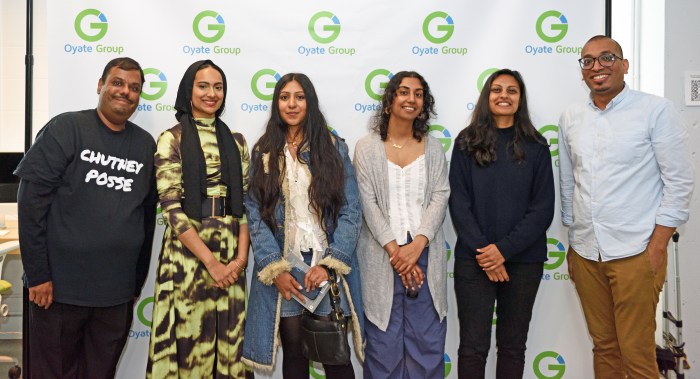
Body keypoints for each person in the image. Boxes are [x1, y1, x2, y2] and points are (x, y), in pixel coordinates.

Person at [559, 35, 694, 378]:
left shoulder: (655, 110)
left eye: (606, 58)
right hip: (587, 252)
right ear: (582, 71)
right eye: (587, 61)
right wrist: (573, 243)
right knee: (604, 348)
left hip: (637, 251)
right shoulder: (571, 117)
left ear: (624, 64)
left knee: (636, 353)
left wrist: (658, 244)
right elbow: (568, 181)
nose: (596, 67)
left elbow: (678, 181)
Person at [14, 57, 157, 378]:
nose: (125, 92)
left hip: (115, 296)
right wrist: (37, 275)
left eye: (134, 88)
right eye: (117, 83)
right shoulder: (66, 128)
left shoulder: (145, 145)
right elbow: (31, 202)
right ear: (100, 85)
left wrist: (135, 282)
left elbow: (146, 219)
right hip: (57, 291)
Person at [241, 73, 364, 378]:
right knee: (294, 354)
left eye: (299, 97)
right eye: (285, 97)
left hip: (325, 265)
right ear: (276, 103)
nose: (292, 104)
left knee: (334, 354)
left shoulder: (333, 148)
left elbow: (351, 210)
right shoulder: (264, 152)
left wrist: (331, 264)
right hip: (286, 266)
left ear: (309, 102)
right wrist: (275, 268)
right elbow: (254, 214)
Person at [147, 60, 253, 378]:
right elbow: (172, 209)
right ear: (188, 90)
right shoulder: (172, 138)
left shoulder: (237, 141)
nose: (211, 93)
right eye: (203, 86)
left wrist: (240, 259)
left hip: (232, 256)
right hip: (188, 257)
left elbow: (245, 206)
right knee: (190, 347)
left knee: (231, 348)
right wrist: (211, 263)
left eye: (218, 87)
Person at [449, 69, 555, 378]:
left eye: (512, 90)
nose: (504, 95)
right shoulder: (466, 142)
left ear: (520, 99)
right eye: (497, 89)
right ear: (487, 97)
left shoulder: (536, 145)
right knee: (472, 347)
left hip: (524, 260)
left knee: (512, 346)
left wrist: (502, 252)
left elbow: (542, 209)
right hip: (474, 260)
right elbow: (459, 203)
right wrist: (486, 252)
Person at [354, 71, 449, 379]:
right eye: (404, 92)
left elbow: (440, 196)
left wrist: (417, 245)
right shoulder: (366, 148)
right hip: (383, 256)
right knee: (383, 345)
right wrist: (397, 252)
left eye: (418, 94)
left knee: (427, 342)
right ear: (389, 101)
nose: (411, 99)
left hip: (425, 254)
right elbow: (367, 203)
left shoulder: (433, 148)